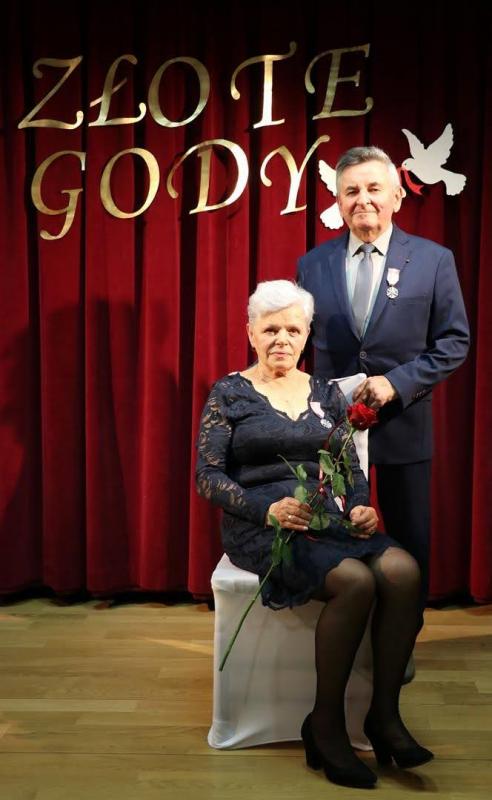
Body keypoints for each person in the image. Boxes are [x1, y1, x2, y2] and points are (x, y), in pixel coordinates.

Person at [196, 280, 433, 790]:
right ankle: (325, 725)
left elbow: (348, 465)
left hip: (328, 517)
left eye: (292, 329)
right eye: (270, 329)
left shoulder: (325, 392)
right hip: (262, 524)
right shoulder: (230, 392)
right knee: (355, 582)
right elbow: (208, 475)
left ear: (306, 336)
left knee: (402, 571)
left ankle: (384, 715)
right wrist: (266, 510)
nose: (281, 339)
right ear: (251, 333)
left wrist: (363, 505)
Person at [297, 146, 470, 607]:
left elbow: (454, 341)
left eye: (374, 188)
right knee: (335, 542)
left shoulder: (433, 260)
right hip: (334, 432)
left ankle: (403, 634)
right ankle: (346, 635)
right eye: (351, 191)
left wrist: (397, 382)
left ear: (397, 195)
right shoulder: (312, 265)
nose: (363, 200)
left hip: (404, 426)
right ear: (338, 201)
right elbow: (301, 345)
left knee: (410, 546)